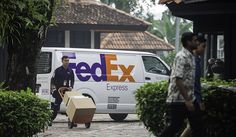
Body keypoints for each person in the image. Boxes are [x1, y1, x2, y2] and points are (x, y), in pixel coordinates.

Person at [159, 32, 206, 137]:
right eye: (194, 40)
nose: (197, 42)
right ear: (188, 42)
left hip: (190, 98)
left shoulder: (191, 56)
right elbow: (178, 79)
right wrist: (187, 100)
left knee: (198, 126)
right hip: (178, 99)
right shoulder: (181, 56)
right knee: (175, 126)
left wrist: (194, 99)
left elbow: (192, 81)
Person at [180, 34, 207, 137]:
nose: (204, 49)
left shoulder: (196, 59)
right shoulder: (193, 60)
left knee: (193, 126)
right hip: (192, 99)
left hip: (192, 98)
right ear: (197, 44)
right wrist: (199, 101)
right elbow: (194, 83)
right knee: (195, 126)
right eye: (203, 46)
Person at [50, 55, 74, 125]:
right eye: (65, 61)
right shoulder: (57, 70)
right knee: (56, 107)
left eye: (68, 61)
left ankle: (72, 121)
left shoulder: (70, 71)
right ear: (62, 61)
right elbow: (53, 80)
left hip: (67, 91)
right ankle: (50, 120)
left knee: (70, 106)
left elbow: (72, 80)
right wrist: (54, 89)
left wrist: (71, 86)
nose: (67, 62)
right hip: (59, 91)